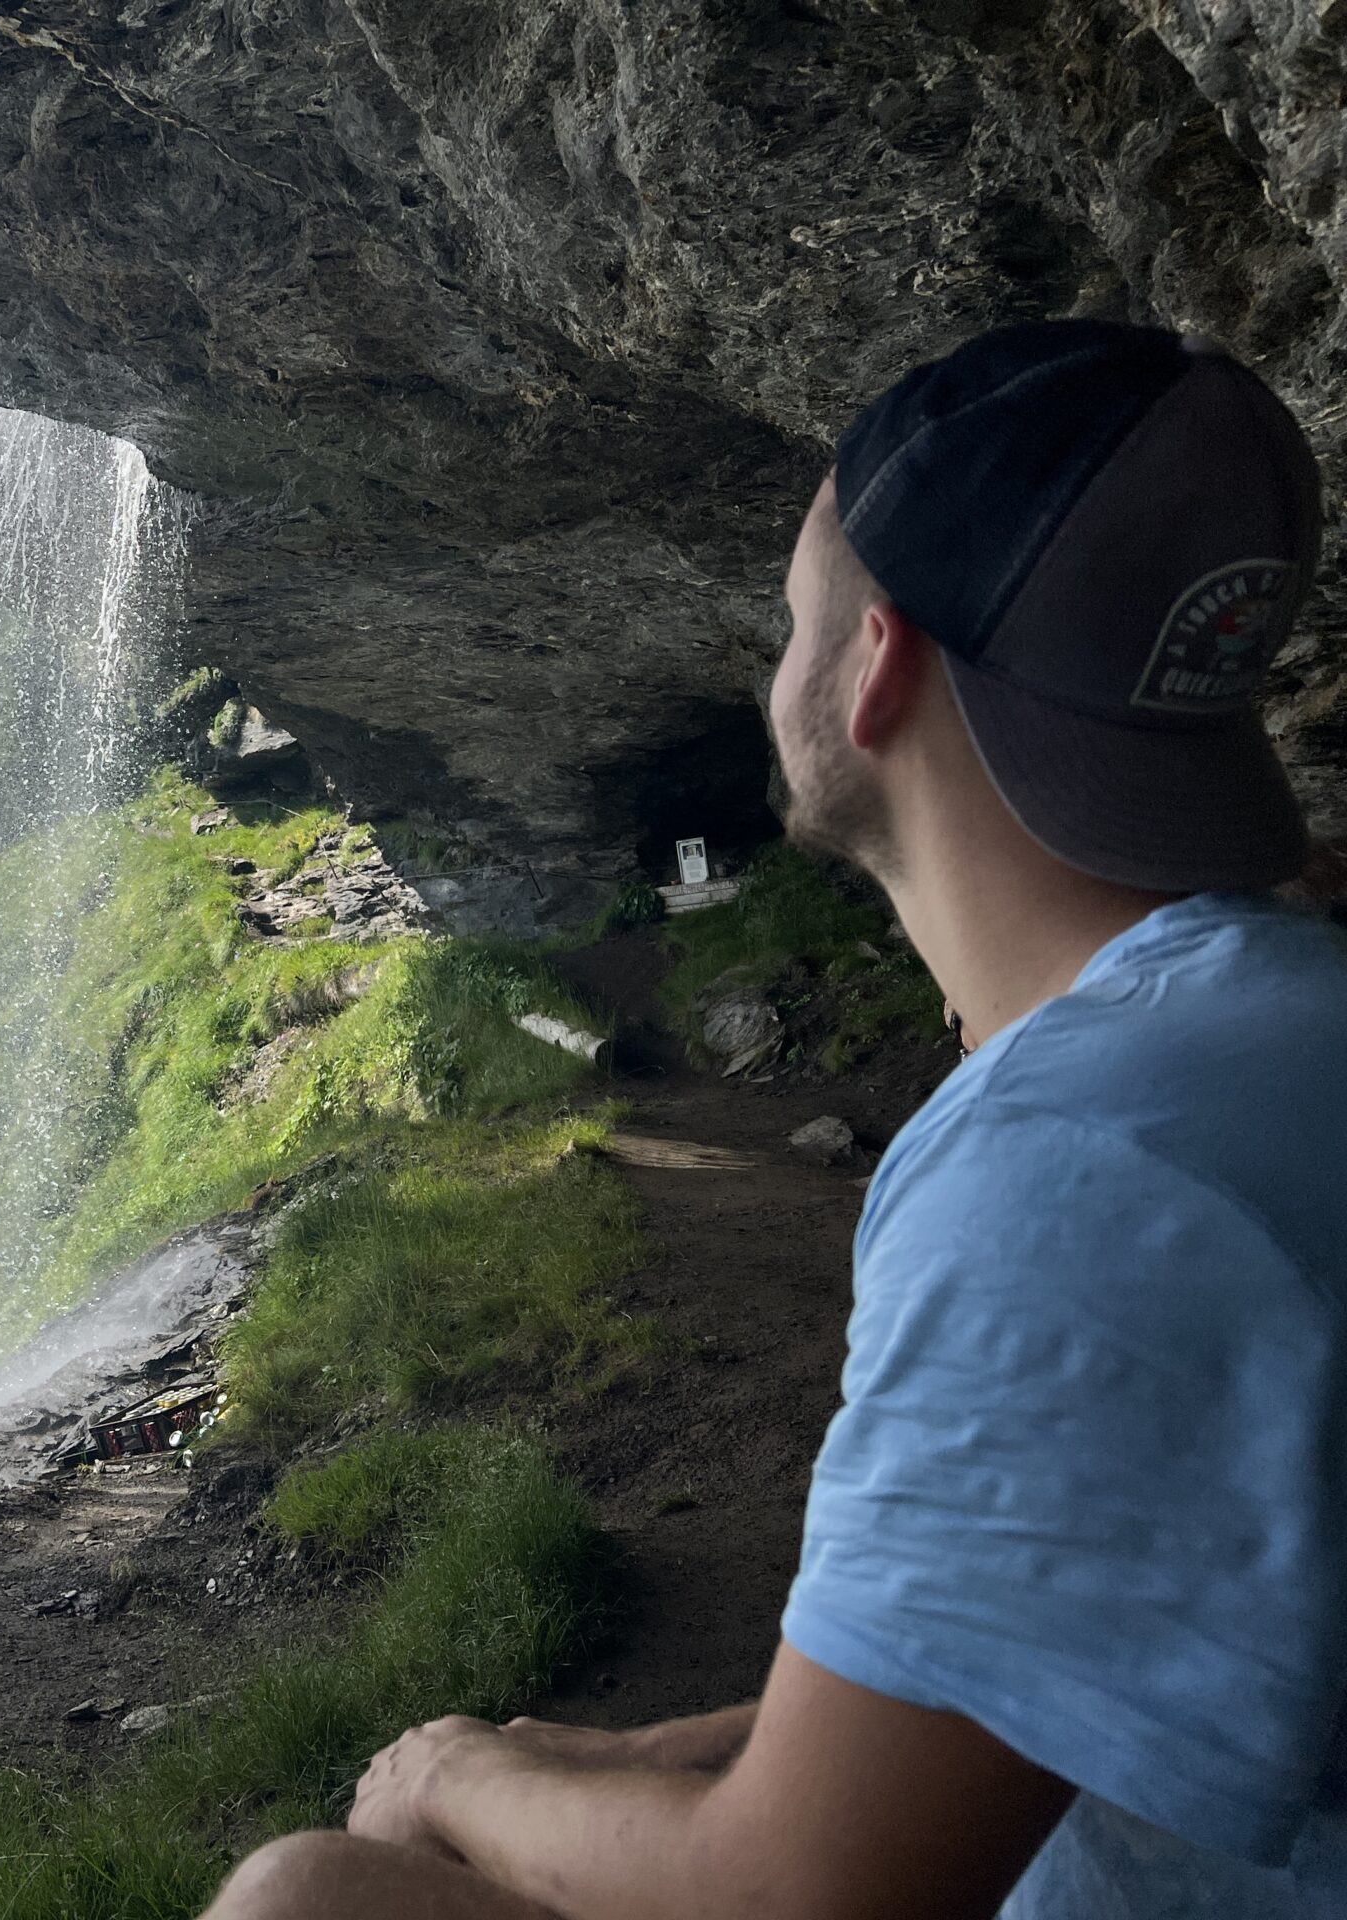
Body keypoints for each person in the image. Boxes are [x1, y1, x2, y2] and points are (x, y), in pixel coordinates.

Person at [202, 320, 1347, 1919]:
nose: (776, 670)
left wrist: (457, 1774)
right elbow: (1126, 1626)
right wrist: (656, 1753)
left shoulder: (1078, 1170)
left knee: (309, 1897)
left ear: (875, 663)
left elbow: (796, 1896)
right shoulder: (1283, 1021)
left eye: (791, 620)